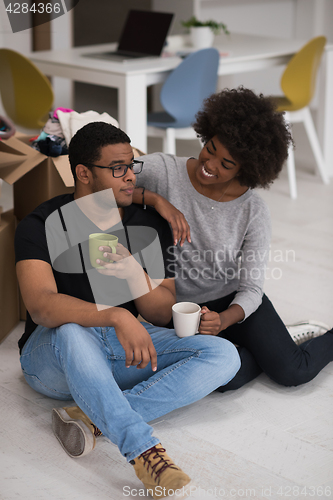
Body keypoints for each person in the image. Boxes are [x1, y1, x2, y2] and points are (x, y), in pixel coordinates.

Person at [15, 122, 241, 499]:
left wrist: (135, 276)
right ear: (84, 173)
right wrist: (116, 315)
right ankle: (143, 451)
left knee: (223, 354)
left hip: (117, 350)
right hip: (53, 359)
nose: (130, 177)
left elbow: (160, 312)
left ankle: (93, 416)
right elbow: (41, 306)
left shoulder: (147, 225)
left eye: (132, 165)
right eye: (117, 167)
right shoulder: (42, 223)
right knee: (71, 329)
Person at [132, 86, 333, 392]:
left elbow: (251, 288)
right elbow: (107, 187)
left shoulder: (253, 212)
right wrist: (156, 200)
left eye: (226, 164)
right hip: (181, 309)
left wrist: (224, 320)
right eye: (210, 148)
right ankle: (275, 343)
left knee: (293, 371)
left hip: (231, 304)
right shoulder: (163, 171)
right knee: (227, 380)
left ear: (247, 168)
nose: (210, 165)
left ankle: (292, 343)